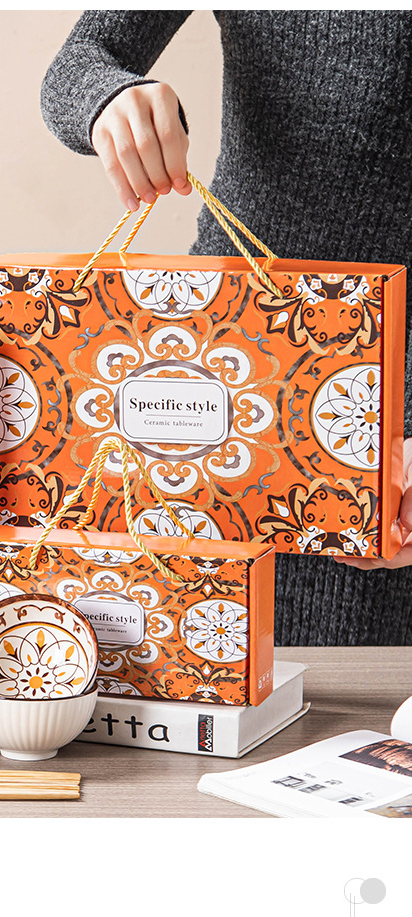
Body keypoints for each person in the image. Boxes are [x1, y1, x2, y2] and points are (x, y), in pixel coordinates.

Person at [41, 9, 412, 646]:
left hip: (386, 426)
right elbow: (78, 64)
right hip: (223, 371)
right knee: (188, 662)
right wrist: (112, 100)